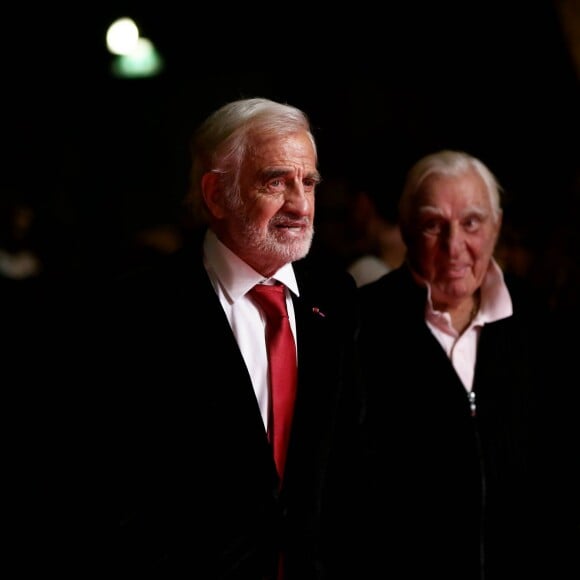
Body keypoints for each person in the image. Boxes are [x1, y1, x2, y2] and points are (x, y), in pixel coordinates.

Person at [115, 98, 366, 579]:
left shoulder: (337, 297)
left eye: (308, 183)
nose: (299, 204)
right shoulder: (138, 311)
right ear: (216, 195)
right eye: (276, 181)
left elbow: (350, 469)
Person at [356, 149, 579, 579]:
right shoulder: (363, 326)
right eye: (433, 224)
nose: (454, 246)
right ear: (405, 230)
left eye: (471, 223)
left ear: (496, 228)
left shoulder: (539, 325)